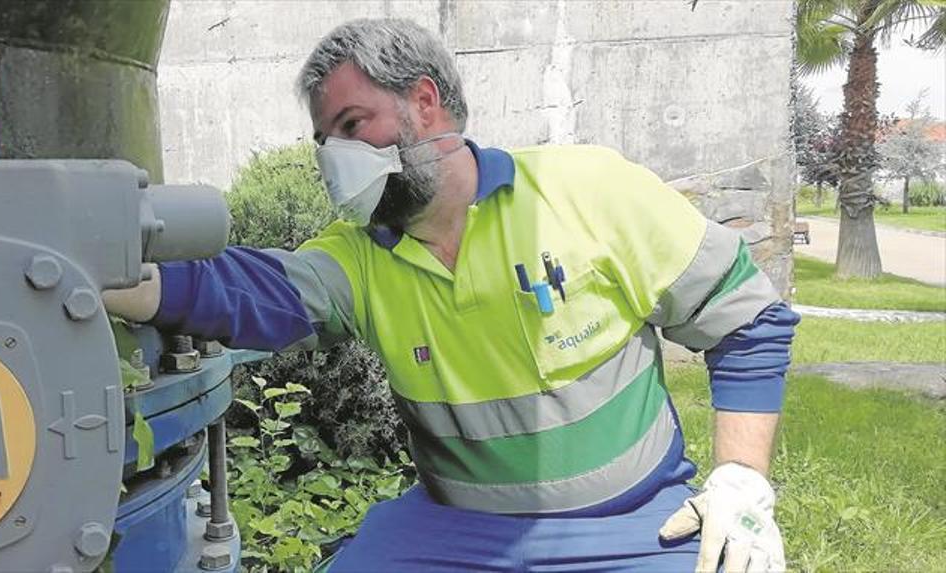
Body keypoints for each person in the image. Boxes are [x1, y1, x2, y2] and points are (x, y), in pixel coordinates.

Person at [103, 18, 797, 573]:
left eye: (351, 125)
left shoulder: (588, 190)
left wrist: (740, 477)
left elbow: (746, 317)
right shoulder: (360, 260)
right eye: (323, 140)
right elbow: (252, 290)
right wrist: (124, 281)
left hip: (632, 520)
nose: (332, 155)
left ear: (425, 103)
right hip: (457, 529)